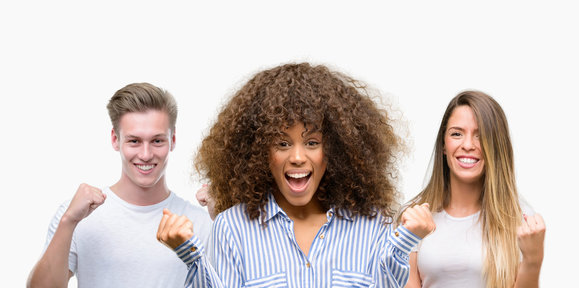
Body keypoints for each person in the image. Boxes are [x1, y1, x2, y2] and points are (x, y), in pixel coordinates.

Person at [157, 62, 435, 287]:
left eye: (312, 142)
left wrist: (407, 239)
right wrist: (189, 253)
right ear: (260, 152)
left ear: (335, 151)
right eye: (282, 143)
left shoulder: (372, 224)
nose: (298, 157)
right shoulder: (233, 228)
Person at [27, 82, 212, 288]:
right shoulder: (78, 216)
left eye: (157, 141)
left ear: (173, 139)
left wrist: (223, 217)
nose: (145, 154)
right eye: (134, 141)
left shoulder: (202, 223)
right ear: (115, 140)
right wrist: (69, 221)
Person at [403, 90, 546, 288]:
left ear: (496, 147)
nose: (468, 145)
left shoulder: (521, 219)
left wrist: (533, 261)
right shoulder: (413, 217)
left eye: (481, 136)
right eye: (456, 134)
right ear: (444, 145)